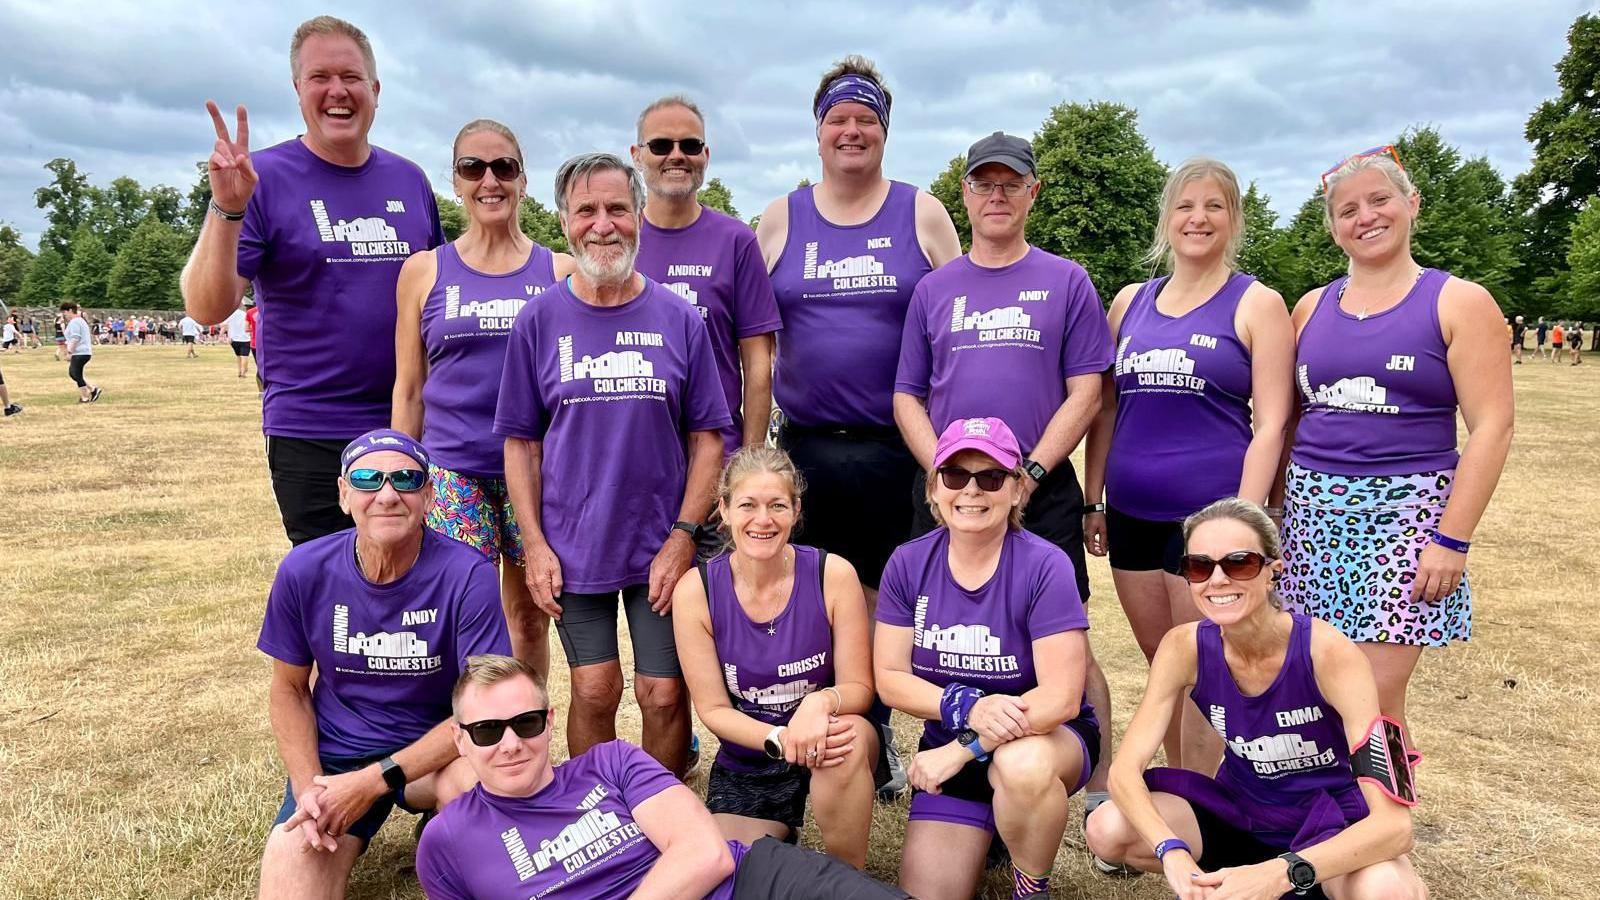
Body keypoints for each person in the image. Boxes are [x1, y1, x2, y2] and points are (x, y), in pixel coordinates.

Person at [755, 54, 961, 794]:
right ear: (818, 132)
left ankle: (879, 745)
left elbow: (960, 317)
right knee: (813, 604)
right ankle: (821, 740)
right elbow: (751, 336)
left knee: (885, 609)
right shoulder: (781, 216)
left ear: (884, 130)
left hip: (898, 444)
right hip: (808, 445)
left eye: (866, 119)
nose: (852, 130)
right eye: (838, 119)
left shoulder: (921, 211)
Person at [894, 131, 1118, 808]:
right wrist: (942, 473)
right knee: (957, 636)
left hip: (1037, 489)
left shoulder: (1066, 280)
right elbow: (907, 394)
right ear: (963, 193)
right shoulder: (935, 289)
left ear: (1032, 192)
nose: (996, 195)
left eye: (1010, 183)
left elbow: (1088, 389)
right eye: (983, 183)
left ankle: (1100, 786)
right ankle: (969, 773)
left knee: (1062, 641)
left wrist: (1035, 470)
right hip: (953, 493)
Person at [495, 152, 730, 777]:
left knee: (664, 692)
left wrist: (684, 536)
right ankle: (597, 815)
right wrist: (534, 546)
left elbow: (709, 438)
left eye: (618, 209)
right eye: (587, 211)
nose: (604, 225)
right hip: (575, 547)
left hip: (661, 544)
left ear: (639, 219)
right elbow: (521, 444)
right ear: (566, 222)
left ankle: (660, 812)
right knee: (596, 689)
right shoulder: (538, 321)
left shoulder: (679, 318)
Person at [182, 15, 444, 546]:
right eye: (320, 77)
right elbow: (207, 307)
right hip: (311, 426)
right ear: (298, 90)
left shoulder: (410, 180)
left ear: (375, 90)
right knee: (332, 586)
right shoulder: (263, 177)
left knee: (418, 590)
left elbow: (437, 300)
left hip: (408, 421)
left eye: (350, 77)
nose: (337, 91)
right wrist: (226, 208)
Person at [1086, 498, 1427, 900]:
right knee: (1108, 828)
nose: (1217, 581)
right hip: (1243, 813)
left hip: (1332, 823)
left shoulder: (1331, 653)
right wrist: (1171, 850)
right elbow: (1123, 773)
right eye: (1199, 567)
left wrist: (1280, 874)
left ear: (1272, 572)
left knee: (1388, 889)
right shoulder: (1184, 647)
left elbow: (1396, 828)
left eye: (1239, 563)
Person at [1282, 146, 1512, 734]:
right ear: (1334, 229)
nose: (1366, 217)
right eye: (1348, 209)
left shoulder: (1458, 301)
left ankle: (1386, 823)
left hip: (1405, 519)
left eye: (1380, 200)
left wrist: (1451, 540)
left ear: (1412, 204)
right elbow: (1287, 421)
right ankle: (1325, 818)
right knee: (1310, 687)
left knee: (1374, 702)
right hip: (1309, 520)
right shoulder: (1310, 308)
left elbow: (1492, 427)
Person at [1081, 158, 1294, 774]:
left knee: (1211, 669)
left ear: (1234, 220)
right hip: (1130, 516)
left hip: (1209, 525)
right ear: (1166, 218)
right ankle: (1182, 796)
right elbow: (1106, 408)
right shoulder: (1130, 302)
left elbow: (1273, 423)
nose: (1198, 218)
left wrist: (1243, 524)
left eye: (1214, 206)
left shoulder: (1257, 303)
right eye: (1184, 205)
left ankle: (1204, 806)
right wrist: (1094, 497)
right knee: (1166, 667)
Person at [415, 655, 910, 899]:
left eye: (524, 723)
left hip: (747, 883)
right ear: (459, 740)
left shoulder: (610, 763)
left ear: (547, 722)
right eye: (485, 731)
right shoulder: (447, 841)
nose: (510, 744)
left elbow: (706, 853)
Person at [255, 429, 512, 899]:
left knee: (482, 781)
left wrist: (374, 782)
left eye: (406, 480)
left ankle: (444, 831)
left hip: (437, 755)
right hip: (337, 757)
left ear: (430, 496)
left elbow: (486, 708)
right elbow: (289, 689)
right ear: (344, 493)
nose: (388, 494)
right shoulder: (303, 569)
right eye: (369, 479)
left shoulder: (468, 573)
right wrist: (311, 788)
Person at [876, 417, 1098, 900]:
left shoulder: (1045, 564)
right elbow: (890, 679)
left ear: (1018, 490)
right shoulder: (908, 562)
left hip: (1045, 741)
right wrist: (968, 708)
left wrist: (961, 749)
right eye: (955, 476)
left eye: (991, 477)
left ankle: (1030, 884)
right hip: (957, 748)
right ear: (934, 489)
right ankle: (995, 825)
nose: (972, 491)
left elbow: (1060, 699)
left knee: (1020, 767)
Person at [393, 118, 575, 681]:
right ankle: (474, 741)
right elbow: (410, 386)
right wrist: (402, 473)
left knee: (530, 614)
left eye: (504, 167)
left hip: (537, 471)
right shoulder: (424, 271)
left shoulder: (560, 271)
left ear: (524, 181)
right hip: (453, 471)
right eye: (474, 167)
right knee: (461, 613)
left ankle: (528, 729)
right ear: (456, 181)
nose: (489, 180)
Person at [671, 446, 882, 867]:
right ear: (724, 510)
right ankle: (778, 837)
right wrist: (780, 739)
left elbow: (860, 687)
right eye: (748, 505)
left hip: (829, 741)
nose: (763, 520)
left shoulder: (833, 574)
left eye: (777, 505)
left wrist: (819, 703)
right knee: (731, 876)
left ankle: (847, 877)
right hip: (753, 755)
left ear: (796, 509)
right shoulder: (697, 591)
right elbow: (712, 708)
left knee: (846, 741)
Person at [631, 95, 782, 459]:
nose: (677, 155)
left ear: (706, 155)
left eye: (691, 145)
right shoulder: (618, 237)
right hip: (637, 451)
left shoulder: (735, 240)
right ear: (637, 155)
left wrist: (749, 460)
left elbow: (758, 361)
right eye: (661, 145)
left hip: (716, 449)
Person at [60, 302, 100, 404]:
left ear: (70, 310)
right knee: (75, 374)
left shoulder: (75, 322)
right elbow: (69, 336)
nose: (64, 315)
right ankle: (92, 390)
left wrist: (69, 351)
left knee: (75, 373)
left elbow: (75, 338)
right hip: (83, 352)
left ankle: (86, 396)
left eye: (64, 312)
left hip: (80, 352)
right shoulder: (79, 321)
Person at [224, 304, 251, 376]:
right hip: (245, 338)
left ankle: (239, 371)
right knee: (244, 356)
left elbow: (224, 325)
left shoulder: (230, 315)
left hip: (234, 339)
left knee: (238, 356)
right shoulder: (245, 314)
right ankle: (243, 373)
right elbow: (249, 325)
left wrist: (227, 336)